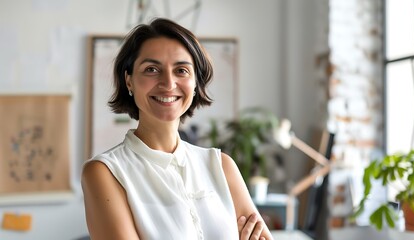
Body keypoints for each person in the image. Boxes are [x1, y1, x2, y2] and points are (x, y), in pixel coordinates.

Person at [81, 18, 273, 240]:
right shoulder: (105, 172)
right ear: (129, 80)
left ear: (195, 84)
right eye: (152, 69)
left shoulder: (221, 166)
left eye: (181, 70)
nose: (168, 83)